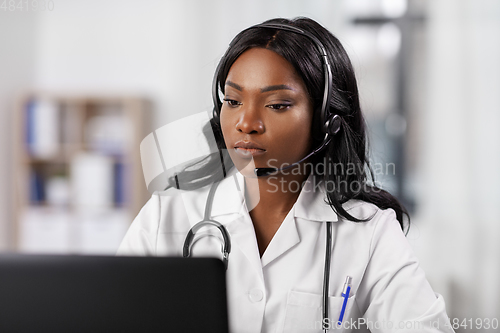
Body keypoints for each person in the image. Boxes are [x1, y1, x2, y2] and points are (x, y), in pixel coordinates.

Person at [118, 17, 455, 333]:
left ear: (327, 122)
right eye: (233, 101)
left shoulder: (369, 232)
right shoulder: (167, 215)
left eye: (277, 105)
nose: (246, 123)